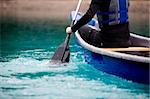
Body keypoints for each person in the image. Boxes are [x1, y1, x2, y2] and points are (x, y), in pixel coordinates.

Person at [66, 0, 131, 48]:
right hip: (126, 40)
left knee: (82, 29)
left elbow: (89, 15)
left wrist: (72, 29)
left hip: (107, 42)